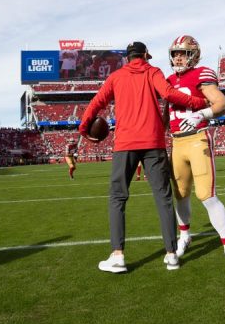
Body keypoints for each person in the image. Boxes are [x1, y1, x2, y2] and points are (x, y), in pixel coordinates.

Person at [79, 41, 208, 273]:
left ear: (127, 58)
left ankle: (118, 255)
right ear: (146, 55)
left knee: (118, 198)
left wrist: (83, 127)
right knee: (163, 197)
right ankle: (171, 254)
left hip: (125, 144)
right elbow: (169, 93)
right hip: (153, 143)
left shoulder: (116, 77)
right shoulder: (153, 72)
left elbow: (97, 102)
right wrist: (197, 102)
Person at [164, 35, 225, 279]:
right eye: (175, 53)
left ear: (194, 54)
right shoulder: (168, 80)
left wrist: (202, 114)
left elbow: (222, 104)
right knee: (180, 194)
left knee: (207, 195)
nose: (178, 57)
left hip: (197, 137)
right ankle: (185, 236)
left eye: (182, 52)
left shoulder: (201, 74)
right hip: (176, 143)